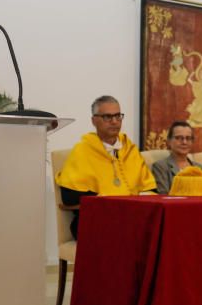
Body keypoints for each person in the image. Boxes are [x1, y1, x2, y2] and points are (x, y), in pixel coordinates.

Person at [55, 96, 156, 236]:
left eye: (117, 116)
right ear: (93, 120)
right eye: (107, 117)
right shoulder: (83, 150)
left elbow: (150, 188)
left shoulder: (130, 150)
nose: (114, 121)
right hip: (96, 218)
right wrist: (111, 204)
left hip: (132, 215)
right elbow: (69, 197)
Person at [151, 121, 202, 194]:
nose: (184, 142)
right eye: (179, 138)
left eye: (188, 138)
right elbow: (163, 194)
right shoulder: (160, 167)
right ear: (169, 141)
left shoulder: (199, 168)